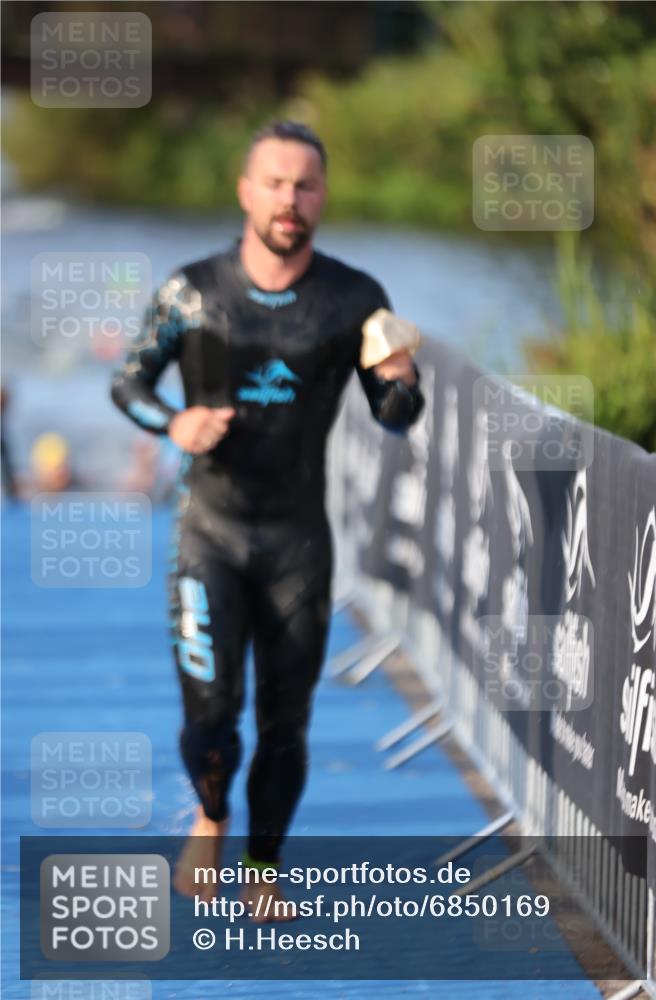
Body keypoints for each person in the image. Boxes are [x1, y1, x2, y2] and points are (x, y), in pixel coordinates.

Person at [111, 120, 424, 920]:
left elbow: (394, 416)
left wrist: (400, 379)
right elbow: (127, 382)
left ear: (322, 196)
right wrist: (173, 423)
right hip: (208, 533)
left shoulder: (354, 299)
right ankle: (211, 813)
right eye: (276, 184)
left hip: (297, 542)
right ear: (246, 191)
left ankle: (263, 867)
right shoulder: (191, 291)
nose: (290, 200)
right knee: (212, 719)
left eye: (305, 185)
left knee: (287, 721)